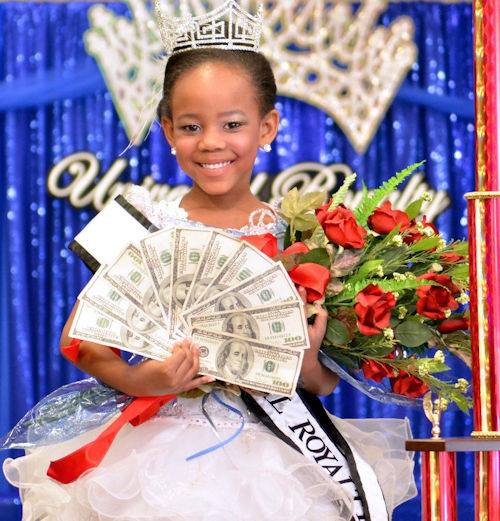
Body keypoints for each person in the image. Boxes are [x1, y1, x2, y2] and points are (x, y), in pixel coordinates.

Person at [2, 4, 416, 520]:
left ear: (267, 127)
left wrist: (308, 354)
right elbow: (84, 343)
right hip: (157, 454)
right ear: (168, 129)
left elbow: (318, 383)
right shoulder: (135, 220)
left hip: (277, 457)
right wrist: (146, 381)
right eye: (192, 126)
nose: (212, 142)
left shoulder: (300, 237)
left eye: (233, 123)